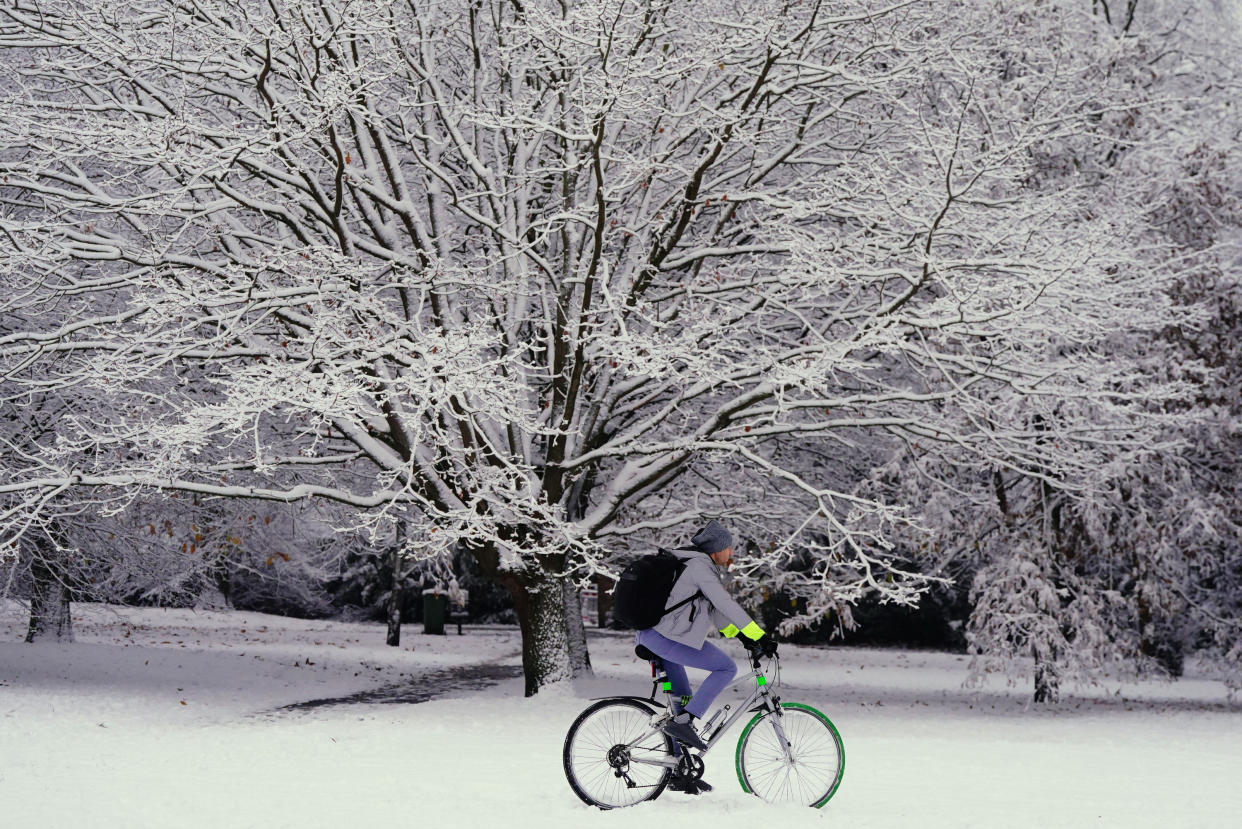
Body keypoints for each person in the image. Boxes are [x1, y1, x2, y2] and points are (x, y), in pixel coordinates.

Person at [634, 519, 778, 795]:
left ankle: (679, 770)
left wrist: (744, 636)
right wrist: (759, 636)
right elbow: (725, 603)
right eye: (729, 548)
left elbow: (716, 613)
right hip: (663, 637)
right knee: (725, 668)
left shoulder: (694, 565)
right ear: (717, 549)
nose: (732, 553)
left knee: (683, 698)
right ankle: (685, 723)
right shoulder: (700, 568)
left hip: (654, 634)